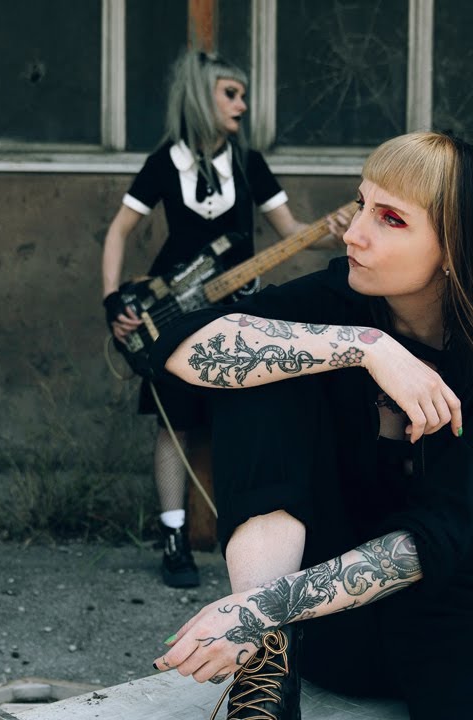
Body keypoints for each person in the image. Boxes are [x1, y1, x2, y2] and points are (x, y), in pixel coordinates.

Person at [147, 132, 473, 719]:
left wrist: (263, 607)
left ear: (457, 247)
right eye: (361, 204)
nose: (354, 233)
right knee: (268, 358)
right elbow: (176, 346)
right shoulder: (337, 299)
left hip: (464, 607)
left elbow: (435, 537)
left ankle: (264, 626)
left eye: (390, 218)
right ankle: (264, 669)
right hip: (318, 622)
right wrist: (363, 345)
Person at [101, 50, 345, 589]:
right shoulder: (165, 162)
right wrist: (113, 300)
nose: (242, 104)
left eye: (243, 94)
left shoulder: (249, 163)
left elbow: (291, 231)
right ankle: (173, 538)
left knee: (245, 414)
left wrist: (338, 231)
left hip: (238, 310)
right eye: (230, 94)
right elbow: (119, 230)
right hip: (171, 310)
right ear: (200, 95)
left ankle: (254, 539)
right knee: (174, 423)